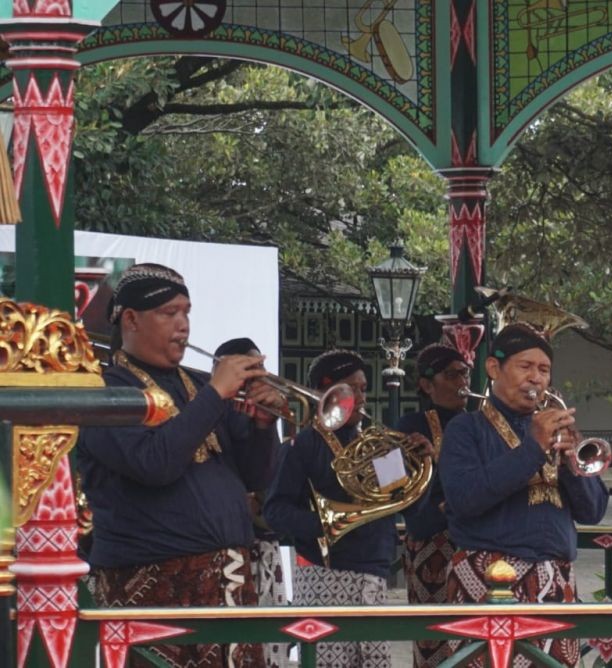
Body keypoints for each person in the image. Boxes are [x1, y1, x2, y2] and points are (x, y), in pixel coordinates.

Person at [77, 263, 282, 668]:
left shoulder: (198, 385)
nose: (184, 325)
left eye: (187, 312)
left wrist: (263, 424)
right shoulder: (105, 391)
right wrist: (216, 395)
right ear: (131, 320)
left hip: (230, 582)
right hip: (155, 590)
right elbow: (154, 464)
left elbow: (256, 477)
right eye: (169, 313)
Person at [439, 323, 609, 667]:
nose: (536, 378)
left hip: (556, 582)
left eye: (544, 370)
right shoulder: (466, 429)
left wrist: (569, 462)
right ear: (493, 368)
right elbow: (464, 499)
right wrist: (532, 449)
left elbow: (593, 511)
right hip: (487, 581)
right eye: (525, 366)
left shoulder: (556, 433)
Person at [263, 349, 394, 668]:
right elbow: (275, 510)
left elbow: (399, 496)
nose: (363, 397)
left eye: (364, 388)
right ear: (328, 390)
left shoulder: (373, 441)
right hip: (326, 575)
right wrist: (328, 524)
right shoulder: (303, 445)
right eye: (354, 388)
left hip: (373, 574)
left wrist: (419, 456)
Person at [214, 336, 292, 668]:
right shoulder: (218, 408)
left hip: (263, 546)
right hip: (231, 549)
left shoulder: (261, 410)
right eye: (251, 368)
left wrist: (266, 424)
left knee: (268, 647)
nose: (261, 375)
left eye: (261, 367)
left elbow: (264, 477)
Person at [396, 343, 471, 668]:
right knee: (433, 642)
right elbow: (394, 489)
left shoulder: (478, 423)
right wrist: (424, 462)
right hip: (431, 545)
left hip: (472, 544)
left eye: (465, 373)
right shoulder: (407, 425)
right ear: (427, 385)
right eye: (452, 374)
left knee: (472, 640)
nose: (462, 382)